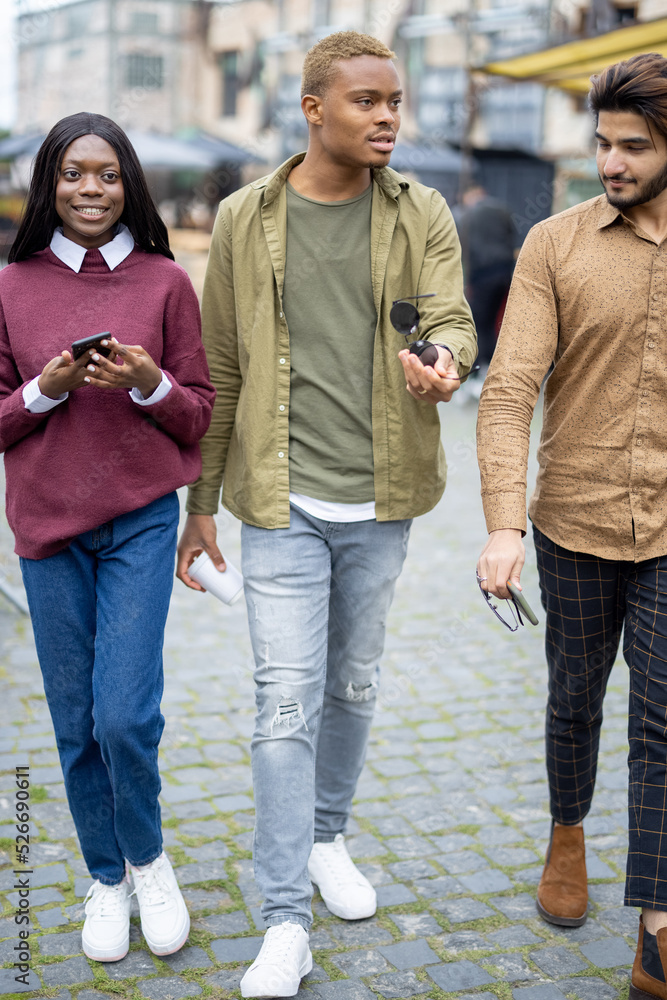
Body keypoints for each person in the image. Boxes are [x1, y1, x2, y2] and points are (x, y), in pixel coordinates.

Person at [176, 30, 476, 1000]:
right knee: (281, 702)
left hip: (382, 497)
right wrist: (200, 504)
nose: (388, 115)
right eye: (366, 101)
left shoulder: (419, 209)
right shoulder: (244, 218)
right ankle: (281, 923)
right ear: (312, 108)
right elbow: (219, 366)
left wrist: (445, 366)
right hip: (279, 501)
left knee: (350, 683)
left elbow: (450, 318)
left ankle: (324, 835)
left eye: (395, 99)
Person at [476, 53, 667, 1000]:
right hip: (573, 520)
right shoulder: (555, 243)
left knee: (663, 715)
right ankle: (566, 833)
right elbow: (509, 389)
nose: (610, 161)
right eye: (601, 142)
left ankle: (657, 925)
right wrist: (503, 524)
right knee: (573, 698)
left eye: (632, 146)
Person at [2, 113, 215, 963]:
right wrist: (47, 390)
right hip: (47, 528)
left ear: (129, 182)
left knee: (126, 715)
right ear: (48, 182)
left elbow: (198, 412)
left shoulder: (165, 282)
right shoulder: (12, 285)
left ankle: (150, 858)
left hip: (137, 522)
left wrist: (147, 381)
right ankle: (106, 876)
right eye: (73, 173)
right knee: (75, 721)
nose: (91, 189)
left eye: (107, 175)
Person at [454, 183, 517, 373]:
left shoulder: (465, 216)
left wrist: (466, 280)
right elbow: (511, 235)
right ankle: (491, 363)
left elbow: (463, 249)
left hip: (481, 274)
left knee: (479, 321)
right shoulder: (501, 209)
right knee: (495, 320)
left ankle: (478, 364)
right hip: (504, 272)